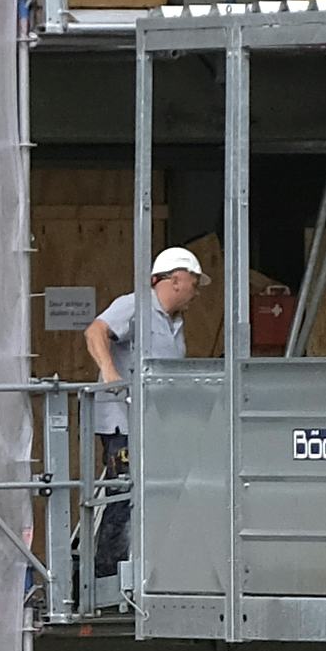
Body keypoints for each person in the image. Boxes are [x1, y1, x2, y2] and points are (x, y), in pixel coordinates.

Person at [84, 245, 208, 585]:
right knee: (124, 495)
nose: (196, 292)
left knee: (156, 495)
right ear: (176, 279)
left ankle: (142, 572)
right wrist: (110, 373)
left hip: (157, 426)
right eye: (194, 283)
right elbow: (95, 331)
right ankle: (106, 578)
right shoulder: (134, 306)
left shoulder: (175, 323)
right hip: (124, 423)